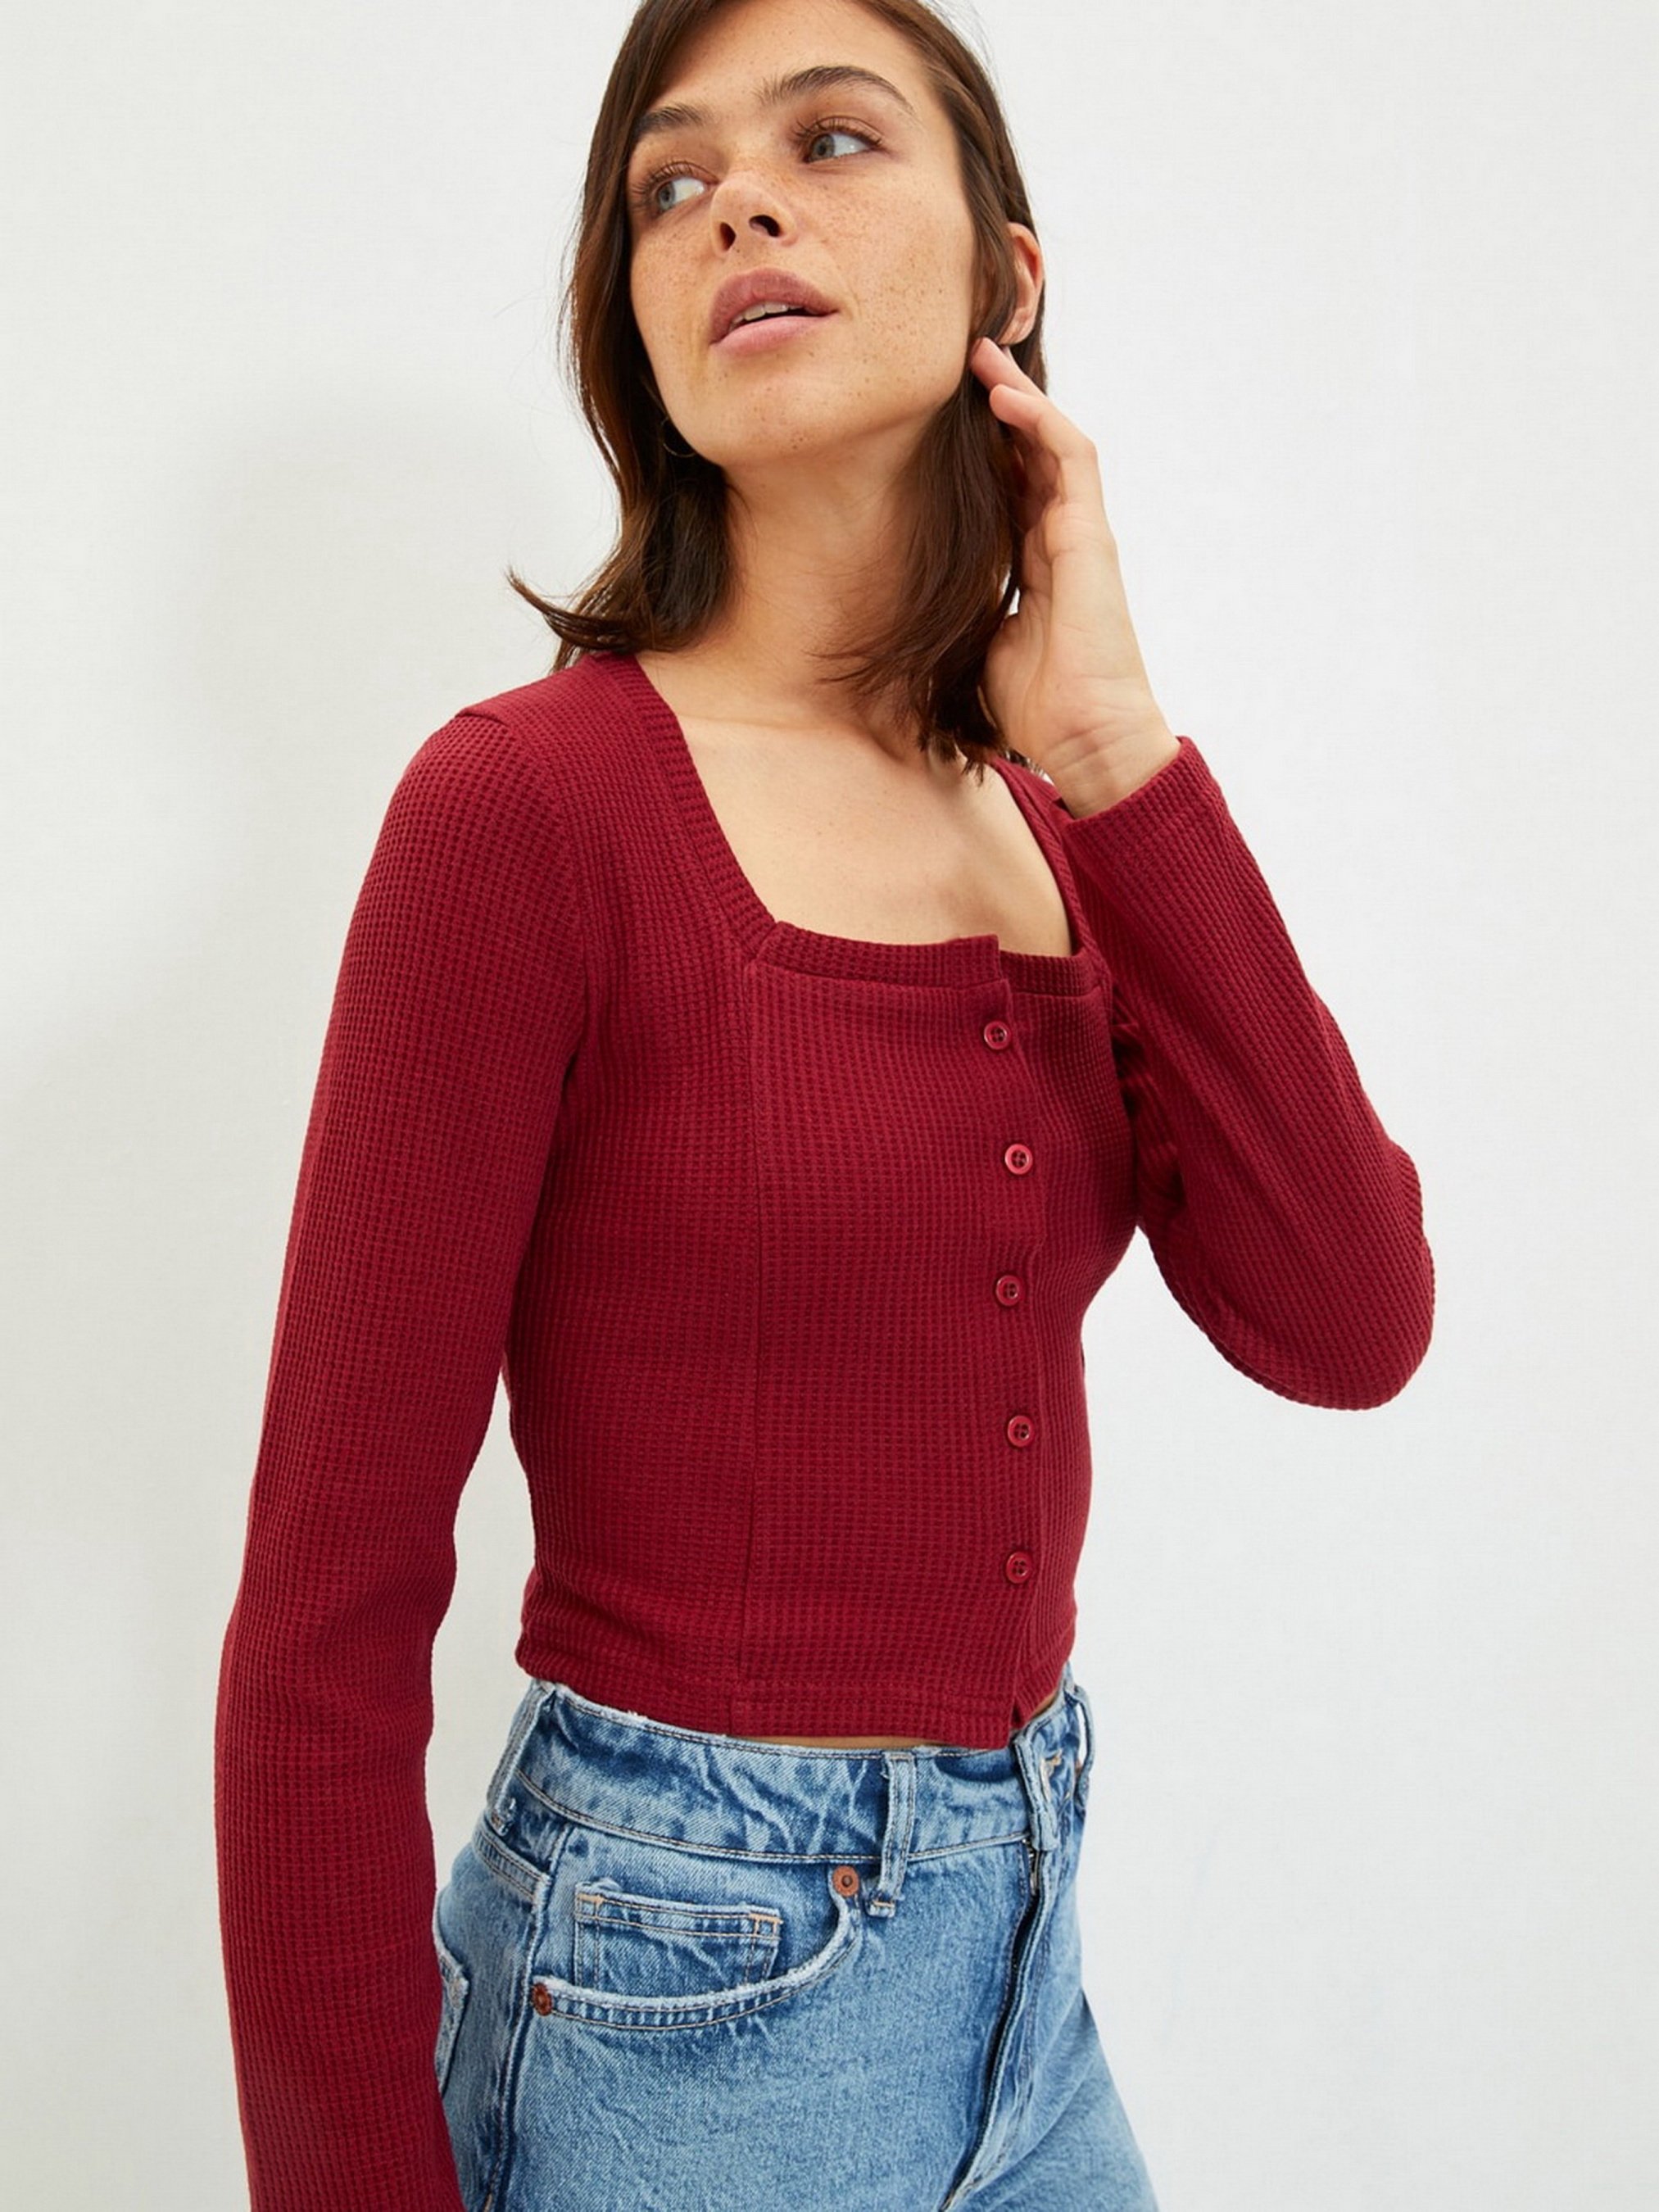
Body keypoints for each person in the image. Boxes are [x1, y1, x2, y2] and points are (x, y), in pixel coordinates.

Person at [212, 0, 1436, 2205]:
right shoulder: (527, 811)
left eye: (833, 141)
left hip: (1027, 1977)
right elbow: (323, 1610)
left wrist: (1120, 751)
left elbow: (1347, 1321)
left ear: (1007, 274)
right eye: (671, 183)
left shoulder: (1051, 815)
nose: (738, 208)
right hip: (672, 2002)